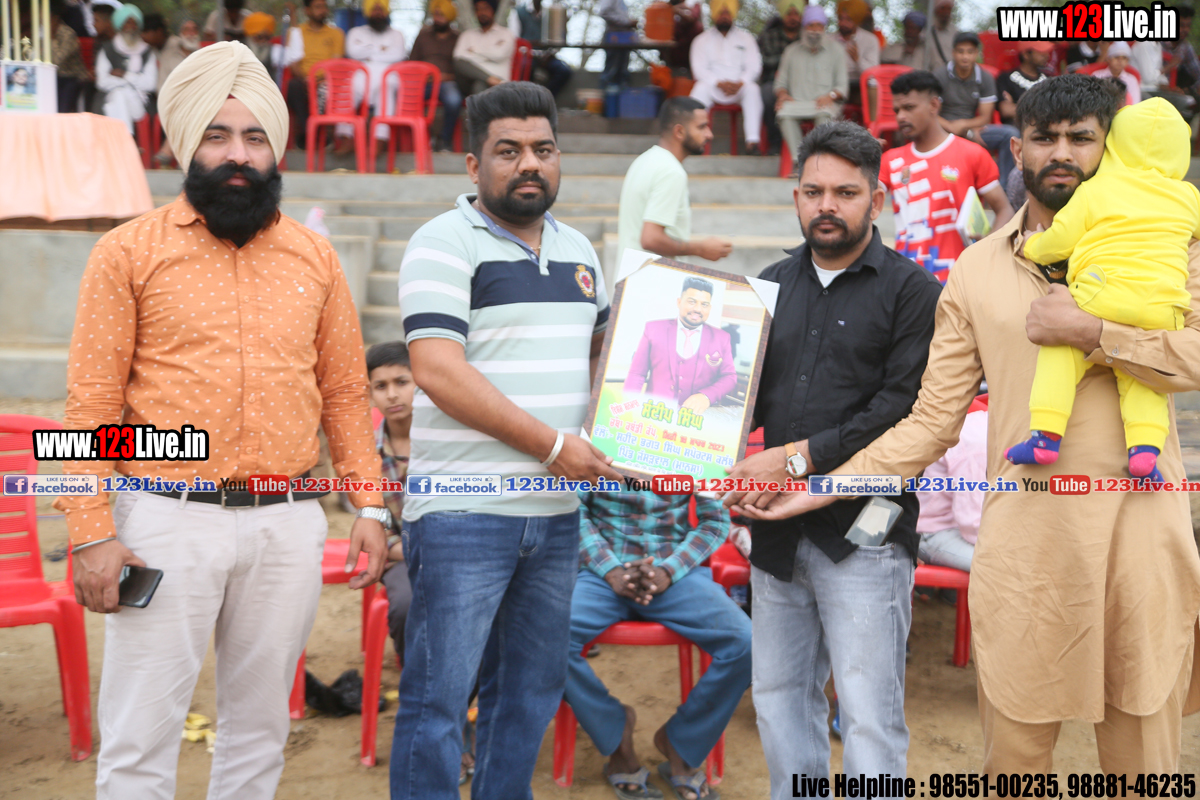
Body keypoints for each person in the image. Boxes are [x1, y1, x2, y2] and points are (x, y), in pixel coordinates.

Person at [729, 75, 1200, 772]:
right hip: (1025, 549)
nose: (1061, 153)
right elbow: (930, 422)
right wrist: (818, 485)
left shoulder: (1174, 240)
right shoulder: (976, 270)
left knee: (1142, 764)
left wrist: (1095, 333)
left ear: (1110, 149)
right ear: (1017, 149)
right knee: (1014, 762)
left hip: (1140, 540)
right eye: (1044, 138)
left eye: (1081, 138)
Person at [60, 41, 388, 799]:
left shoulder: (316, 258)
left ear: (276, 149)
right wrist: (91, 532)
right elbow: (90, 409)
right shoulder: (126, 253)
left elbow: (345, 393)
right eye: (217, 135)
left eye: (254, 137)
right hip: (161, 520)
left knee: (260, 731)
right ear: (186, 144)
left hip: (287, 523)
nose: (238, 154)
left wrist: (370, 506)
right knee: (140, 737)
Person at [391, 82, 622, 800]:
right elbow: (437, 370)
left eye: (543, 149)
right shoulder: (442, 241)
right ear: (473, 164)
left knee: (528, 694)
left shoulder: (581, 251)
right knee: (438, 700)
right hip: (463, 513)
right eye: (509, 151)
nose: (530, 164)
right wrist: (555, 447)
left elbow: (605, 361)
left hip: (554, 517)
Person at [722, 121, 941, 792]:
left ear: (876, 200)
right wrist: (682, 434)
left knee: (869, 712)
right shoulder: (766, 286)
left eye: (846, 193)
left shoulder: (912, 292)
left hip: (867, 529)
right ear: (796, 197)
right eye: (814, 191)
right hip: (775, 532)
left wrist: (794, 460)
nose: (828, 206)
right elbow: (737, 394)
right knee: (780, 696)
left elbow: (900, 408)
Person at [1005, 98, 1200, 484]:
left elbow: (1060, 240)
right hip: (1163, 305)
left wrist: (1031, 246)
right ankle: (1145, 452)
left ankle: (1045, 437)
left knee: (1060, 351)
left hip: (1102, 293)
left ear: (1112, 145)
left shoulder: (1097, 190)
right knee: (1145, 378)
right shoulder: (1188, 196)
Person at [566, 489, 749, 800]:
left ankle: (681, 743)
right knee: (542, 640)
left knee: (746, 643)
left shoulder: (699, 455)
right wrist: (610, 569)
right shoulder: (593, 453)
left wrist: (668, 570)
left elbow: (714, 521)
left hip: (674, 574)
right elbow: (572, 509)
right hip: (601, 574)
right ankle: (616, 735)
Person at [882, 70, 1013, 283]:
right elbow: (861, 203)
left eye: (909, 108)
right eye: (897, 110)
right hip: (906, 283)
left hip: (960, 281)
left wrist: (986, 248)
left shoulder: (971, 154)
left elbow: (1005, 210)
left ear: (934, 105)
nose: (900, 117)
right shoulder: (890, 160)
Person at [617, 97, 733, 264]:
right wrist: (700, 249)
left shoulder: (644, 160)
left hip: (630, 276)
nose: (709, 134)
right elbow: (650, 238)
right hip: (649, 279)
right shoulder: (671, 171)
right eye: (702, 127)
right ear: (679, 132)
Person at [623, 276, 738, 413]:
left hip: (697, 418)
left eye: (704, 304)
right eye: (692, 302)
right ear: (679, 302)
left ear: (710, 307)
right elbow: (637, 374)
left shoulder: (722, 338)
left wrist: (706, 396)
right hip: (654, 413)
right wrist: (628, 409)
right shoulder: (653, 329)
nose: (698, 309)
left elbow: (729, 377)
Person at [935, 31, 1020, 183]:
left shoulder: (985, 77)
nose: (965, 57)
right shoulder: (940, 75)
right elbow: (930, 113)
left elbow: (985, 117)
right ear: (953, 53)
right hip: (941, 128)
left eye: (970, 52)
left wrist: (965, 127)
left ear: (977, 54)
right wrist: (950, 126)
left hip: (971, 127)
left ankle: (1003, 188)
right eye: (961, 52)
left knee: (1010, 134)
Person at [773, 5, 848, 171]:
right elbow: (780, 84)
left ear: (824, 28)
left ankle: (818, 163)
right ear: (804, 27)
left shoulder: (836, 50)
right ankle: (798, 161)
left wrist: (831, 95)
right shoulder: (791, 51)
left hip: (825, 103)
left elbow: (842, 87)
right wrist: (783, 94)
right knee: (783, 112)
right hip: (797, 102)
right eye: (811, 25)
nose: (815, 30)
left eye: (819, 26)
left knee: (824, 115)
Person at [915, 406, 986, 573]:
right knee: (1006, 569)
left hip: (966, 525)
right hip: (933, 532)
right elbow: (972, 524)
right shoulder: (978, 443)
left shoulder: (985, 424)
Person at [688, 0, 764, 155]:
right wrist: (718, 83)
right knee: (699, 89)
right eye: (721, 13)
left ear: (733, 14)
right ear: (714, 14)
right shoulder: (701, 40)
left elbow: (754, 67)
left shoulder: (746, 38)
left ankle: (752, 143)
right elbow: (698, 69)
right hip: (713, 86)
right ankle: (694, 142)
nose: (724, 16)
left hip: (739, 87)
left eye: (728, 13)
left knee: (753, 89)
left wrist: (741, 82)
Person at [345, 0, 408, 150]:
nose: (378, 13)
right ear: (367, 12)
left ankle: (380, 139)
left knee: (387, 87)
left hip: (387, 76)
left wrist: (367, 53)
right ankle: (345, 137)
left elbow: (398, 54)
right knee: (347, 88)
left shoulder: (397, 34)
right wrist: (381, 49)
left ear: (387, 12)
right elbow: (352, 52)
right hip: (361, 77)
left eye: (381, 9)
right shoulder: (356, 32)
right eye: (374, 9)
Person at [285, 0, 346, 150]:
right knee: (293, 86)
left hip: (327, 80)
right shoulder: (296, 32)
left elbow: (336, 64)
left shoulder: (336, 33)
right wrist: (307, 80)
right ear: (307, 10)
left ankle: (313, 134)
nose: (323, 11)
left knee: (325, 89)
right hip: (303, 80)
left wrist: (318, 80)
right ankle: (311, 132)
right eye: (318, 7)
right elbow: (294, 64)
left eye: (324, 7)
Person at [95, 3, 157, 134]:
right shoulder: (107, 49)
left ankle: (122, 139)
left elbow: (150, 84)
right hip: (110, 97)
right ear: (120, 25)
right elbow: (102, 82)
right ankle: (126, 137)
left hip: (139, 102)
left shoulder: (147, 51)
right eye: (127, 22)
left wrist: (125, 75)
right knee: (119, 95)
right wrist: (131, 83)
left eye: (134, 23)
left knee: (119, 98)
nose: (131, 27)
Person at [408, 0, 462, 152]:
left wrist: (446, 77)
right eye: (436, 14)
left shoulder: (458, 38)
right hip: (424, 83)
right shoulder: (423, 35)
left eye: (442, 15)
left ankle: (445, 140)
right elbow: (412, 62)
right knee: (408, 100)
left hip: (448, 82)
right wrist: (423, 76)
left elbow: (462, 69)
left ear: (450, 17)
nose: (438, 18)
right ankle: (425, 138)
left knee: (454, 100)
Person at [758, 0, 802, 156]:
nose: (793, 18)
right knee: (767, 95)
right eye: (789, 14)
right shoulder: (770, 35)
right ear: (782, 15)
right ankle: (775, 142)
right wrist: (788, 60)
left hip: (802, 82)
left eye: (796, 14)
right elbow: (766, 61)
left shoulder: (805, 36)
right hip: (774, 81)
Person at [509, 0, 572, 98]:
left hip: (546, 56)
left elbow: (556, 38)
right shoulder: (519, 12)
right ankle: (525, 99)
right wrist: (530, 51)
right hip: (527, 55)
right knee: (526, 69)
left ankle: (545, 98)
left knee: (564, 71)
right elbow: (515, 39)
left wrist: (550, 53)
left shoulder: (550, 12)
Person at [453, 0, 515, 99]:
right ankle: (490, 79)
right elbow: (459, 59)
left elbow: (499, 54)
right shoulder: (467, 35)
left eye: (485, 8)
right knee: (459, 63)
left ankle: (489, 81)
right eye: (478, 9)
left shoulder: (506, 33)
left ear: (493, 10)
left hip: (499, 83)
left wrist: (474, 51)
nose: (482, 13)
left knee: (479, 85)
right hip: (469, 82)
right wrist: (490, 56)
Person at [1132, 36, 1197, 120]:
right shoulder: (1144, 44)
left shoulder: (1157, 45)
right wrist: (1169, 67)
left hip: (1155, 89)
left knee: (1187, 101)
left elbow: (1160, 75)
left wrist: (1168, 87)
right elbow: (1148, 78)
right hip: (1143, 89)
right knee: (1154, 105)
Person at [832, 0, 878, 106]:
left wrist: (857, 60)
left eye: (848, 19)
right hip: (834, 85)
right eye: (840, 18)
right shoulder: (829, 40)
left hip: (859, 86)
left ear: (857, 20)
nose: (843, 23)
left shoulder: (870, 40)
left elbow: (873, 74)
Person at [997, 41, 1051, 127]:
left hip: (1044, 127)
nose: (1046, 55)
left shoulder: (1049, 80)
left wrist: (1017, 108)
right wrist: (1042, 110)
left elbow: (1054, 109)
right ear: (1026, 54)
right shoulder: (1006, 78)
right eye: (1041, 52)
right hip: (1016, 127)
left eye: (1046, 51)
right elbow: (1006, 110)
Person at [50, 0, 88, 113]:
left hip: (71, 76)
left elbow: (57, 61)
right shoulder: (40, 33)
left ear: (54, 18)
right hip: (53, 76)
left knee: (62, 109)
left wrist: (52, 38)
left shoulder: (68, 34)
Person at [597, 0, 634, 89]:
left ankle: (619, 95)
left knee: (621, 72)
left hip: (623, 38)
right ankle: (607, 94)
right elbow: (604, 12)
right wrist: (626, 22)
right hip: (614, 38)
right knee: (612, 71)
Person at [925, 0, 957, 71]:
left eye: (949, 9)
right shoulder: (926, 31)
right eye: (942, 8)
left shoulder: (955, 33)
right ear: (936, 10)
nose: (946, 12)